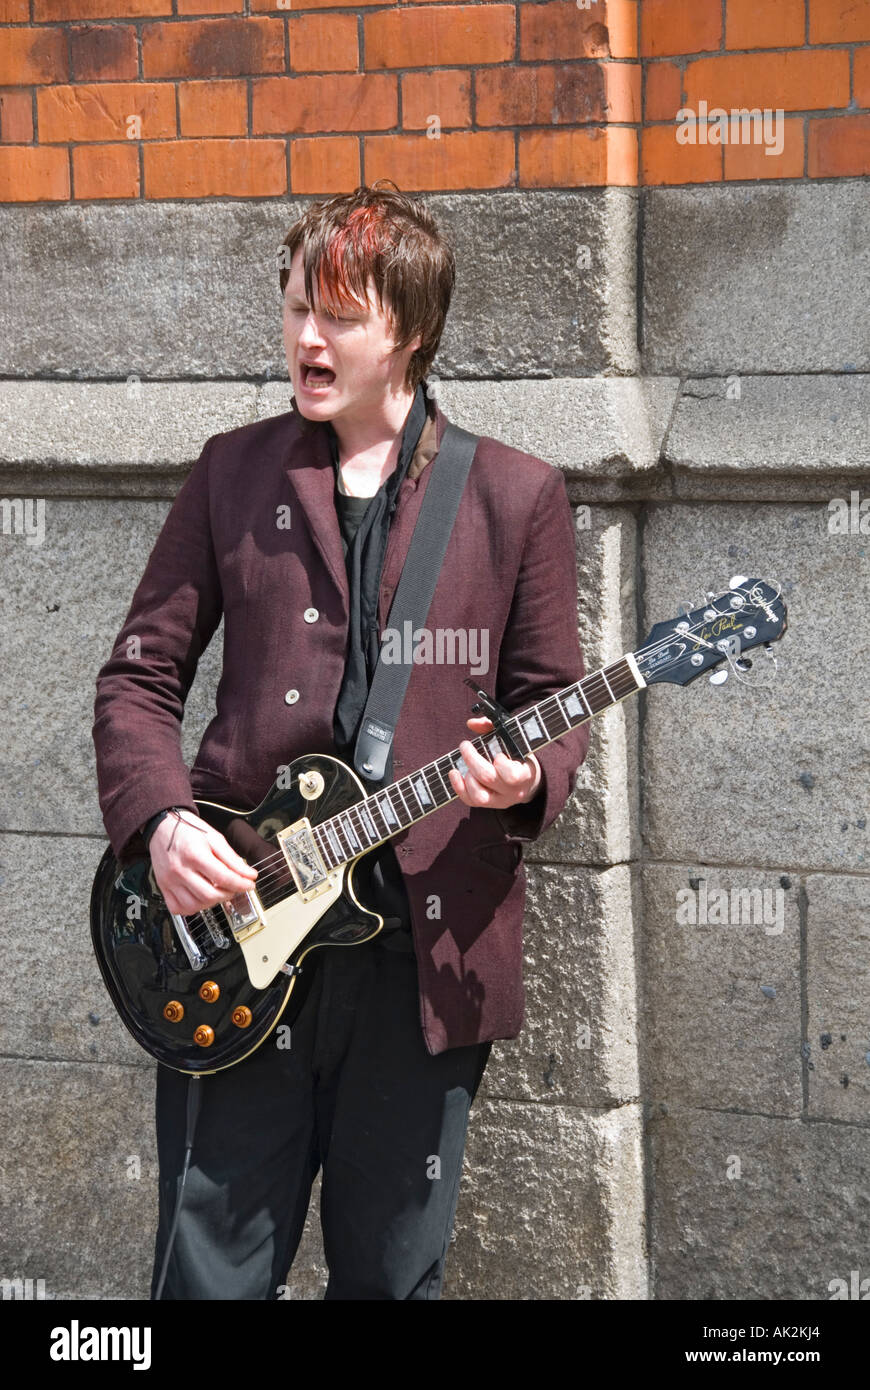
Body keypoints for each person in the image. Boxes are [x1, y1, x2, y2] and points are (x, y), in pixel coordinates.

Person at [92, 181, 590, 1300]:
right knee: (208, 1275)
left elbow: (553, 698)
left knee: (393, 1277)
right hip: (242, 934)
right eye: (294, 307)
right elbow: (137, 677)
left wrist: (524, 779)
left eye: (339, 315)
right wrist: (163, 820)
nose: (306, 337)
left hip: (421, 957)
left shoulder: (518, 496)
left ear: (406, 330)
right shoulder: (234, 471)